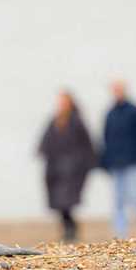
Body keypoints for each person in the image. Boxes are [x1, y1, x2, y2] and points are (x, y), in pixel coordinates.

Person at [38, 90, 96, 241]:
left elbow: (87, 144)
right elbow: (46, 140)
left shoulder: (77, 121)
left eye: (64, 102)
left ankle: (71, 230)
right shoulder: (54, 120)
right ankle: (68, 228)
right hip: (55, 168)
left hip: (73, 169)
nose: (61, 105)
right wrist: (42, 152)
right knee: (58, 201)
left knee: (66, 200)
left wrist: (88, 163)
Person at [100, 80, 136, 238]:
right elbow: (105, 139)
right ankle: (121, 232)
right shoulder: (110, 113)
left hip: (133, 161)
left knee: (135, 195)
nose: (117, 93)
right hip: (116, 163)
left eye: (119, 89)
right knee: (118, 199)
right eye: (115, 90)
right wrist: (104, 161)